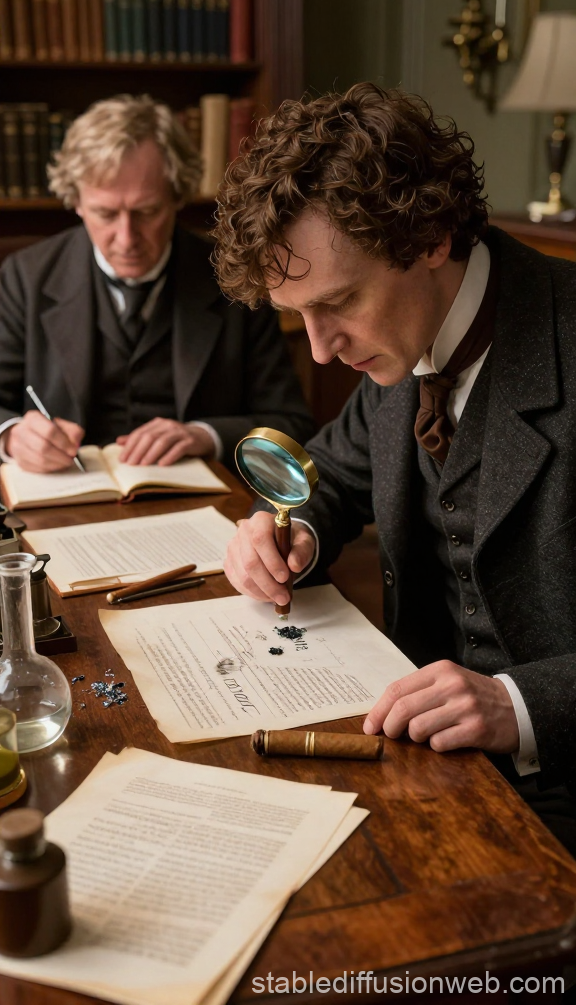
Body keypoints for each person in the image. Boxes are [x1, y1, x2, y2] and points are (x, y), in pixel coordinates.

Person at [212, 82, 576, 854]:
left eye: (338, 303)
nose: (317, 348)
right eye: (297, 315)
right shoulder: (404, 338)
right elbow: (334, 476)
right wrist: (291, 530)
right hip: (425, 770)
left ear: (430, 239)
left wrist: (522, 702)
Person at [0, 95, 314, 474]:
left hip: (201, 509)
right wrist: (12, 434)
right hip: (68, 503)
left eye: (146, 212)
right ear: (76, 201)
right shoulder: (25, 278)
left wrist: (204, 436)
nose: (126, 237)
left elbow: (291, 425)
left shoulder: (236, 277)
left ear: (178, 195)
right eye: (105, 213)